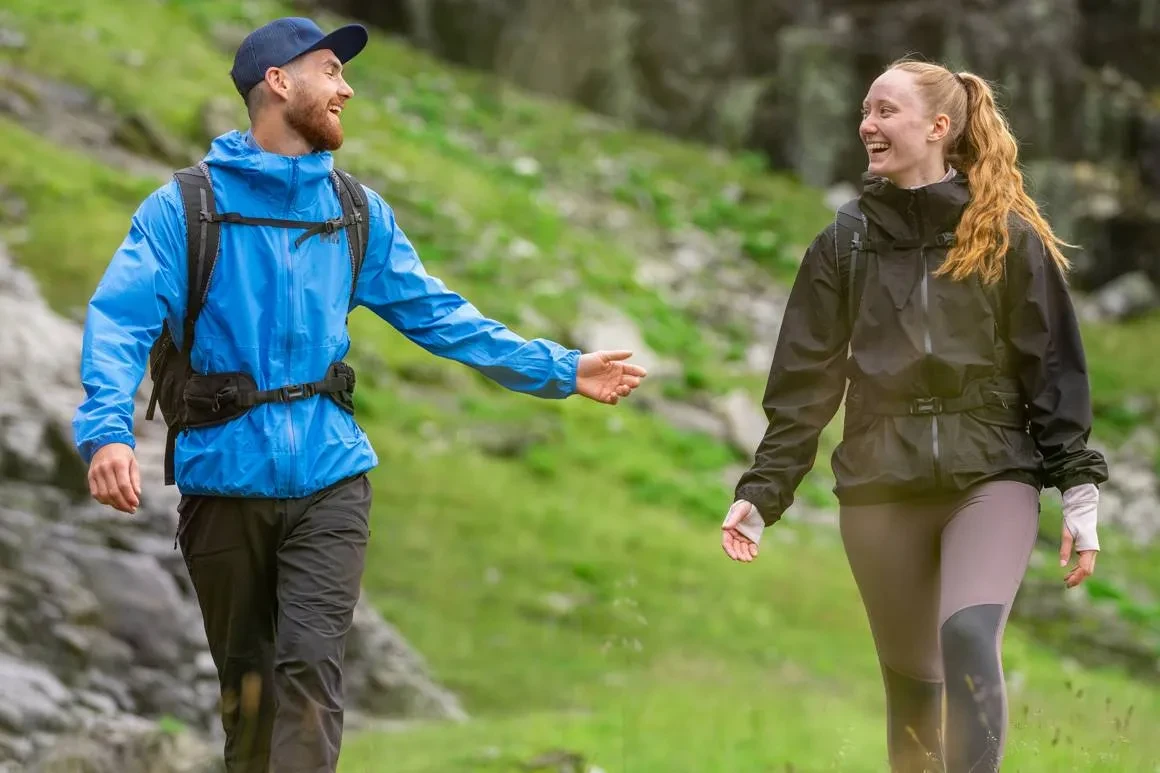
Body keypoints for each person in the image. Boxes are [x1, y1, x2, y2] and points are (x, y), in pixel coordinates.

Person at [71, 16, 647, 773]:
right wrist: (106, 430)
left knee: (310, 675)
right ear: (279, 82)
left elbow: (442, 317)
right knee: (250, 700)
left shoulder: (355, 212)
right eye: (330, 70)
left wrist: (559, 368)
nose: (346, 88)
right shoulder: (182, 211)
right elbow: (117, 320)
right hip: (222, 482)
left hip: (331, 479)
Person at [720, 58, 1109, 773]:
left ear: (937, 127)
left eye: (886, 111)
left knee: (967, 635)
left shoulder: (1006, 236)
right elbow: (805, 381)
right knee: (913, 693)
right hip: (880, 485)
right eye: (865, 110)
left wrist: (1078, 489)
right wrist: (761, 492)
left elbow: (1052, 366)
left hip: (991, 474)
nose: (868, 124)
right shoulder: (844, 243)